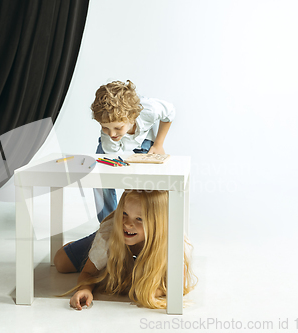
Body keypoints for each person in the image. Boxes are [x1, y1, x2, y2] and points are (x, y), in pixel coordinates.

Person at [55, 190, 197, 310]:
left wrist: (153, 291)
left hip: (143, 245)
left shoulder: (173, 241)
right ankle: (92, 245)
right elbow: (88, 272)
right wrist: (85, 288)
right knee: (61, 262)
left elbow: (179, 284)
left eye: (139, 219)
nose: (128, 223)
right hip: (115, 237)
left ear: (157, 224)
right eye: (124, 213)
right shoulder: (109, 233)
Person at [91, 80, 176, 222]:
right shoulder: (109, 137)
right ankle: (109, 223)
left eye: (118, 128)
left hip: (143, 142)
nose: (112, 133)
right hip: (113, 149)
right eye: (105, 127)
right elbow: (113, 159)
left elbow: (170, 113)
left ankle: (143, 222)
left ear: (133, 117)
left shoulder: (149, 109)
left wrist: (158, 143)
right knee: (102, 180)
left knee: (144, 185)